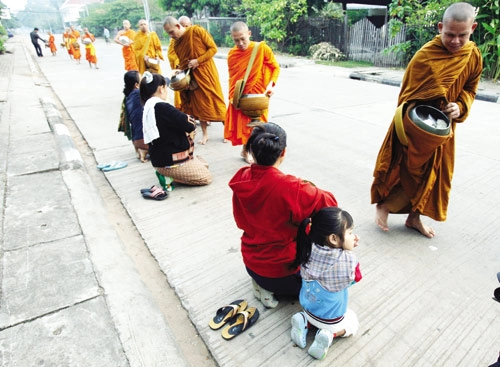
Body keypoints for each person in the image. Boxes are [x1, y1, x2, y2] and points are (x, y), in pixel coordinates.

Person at [370, 2, 482, 238]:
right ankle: (385, 205)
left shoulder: (472, 55)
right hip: (415, 126)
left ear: (473, 28)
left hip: (443, 129)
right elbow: (407, 96)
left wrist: (460, 106)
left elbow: (470, 89)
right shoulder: (425, 56)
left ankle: (414, 218)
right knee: (407, 169)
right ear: (440, 27)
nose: (455, 41)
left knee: (435, 176)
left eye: (462, 35)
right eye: (449, 34)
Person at [229, 122, 338, 309]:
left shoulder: (242, 177)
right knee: (332, 282)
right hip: (284, 274)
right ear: (283, 152)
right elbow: (330, 203)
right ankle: (273, 289)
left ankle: (262, 286)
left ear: (250, 151)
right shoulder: (292, 188)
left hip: (252, 264)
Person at [290, 207, 362, 360]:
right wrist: (348, 252)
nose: (353, 236)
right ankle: (330, 334)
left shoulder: (308, 246)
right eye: (349, 233)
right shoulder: (347, 260)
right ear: (334, 239)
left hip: (308, 307)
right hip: (331, 318)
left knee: (313, 310)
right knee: (353, 322)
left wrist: (346, 245)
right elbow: (356, 278)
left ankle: (303, 321)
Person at [140, 71, 212, 186]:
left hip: (159, 159)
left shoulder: (148, 106)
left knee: (204, 164)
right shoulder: (161, 107)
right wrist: (189, 119)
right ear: (161, 88)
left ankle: (180, 170)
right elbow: (189, 125)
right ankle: (170, 177)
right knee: (205, 177)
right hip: (170, 162)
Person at [163, 16, 226, 145]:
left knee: (216, 102)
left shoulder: (197, 31)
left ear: (178, 26)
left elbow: (213, 49)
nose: (171, 36)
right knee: (199, 106)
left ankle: (227, 132)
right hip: (192, 77)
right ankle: (205, 134)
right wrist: (180, 71)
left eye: (171, 32)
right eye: (168, 33)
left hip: (207, 74)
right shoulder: (176, 43)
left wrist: (198, 60)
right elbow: (182, 61)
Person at [224, 21, 280, 163]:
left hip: (259, 95)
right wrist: (233, 97)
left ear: (249, 34)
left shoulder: (261, 48)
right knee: (244, 127)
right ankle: (247, 150)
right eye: (236, 40)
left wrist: (271, 85)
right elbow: (233, 78)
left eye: (243, 38)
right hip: (242, 96)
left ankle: (250, 150)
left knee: (260, 125)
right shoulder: (232, 55)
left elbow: (275, 67)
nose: (240, 43)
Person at [118, 71, 149, 162]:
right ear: (136, 85)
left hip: (136, 140)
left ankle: (142, 149)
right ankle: (145, 150)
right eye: (141, 79)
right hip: (144, 140)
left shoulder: (128, 97)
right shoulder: (139, 94)